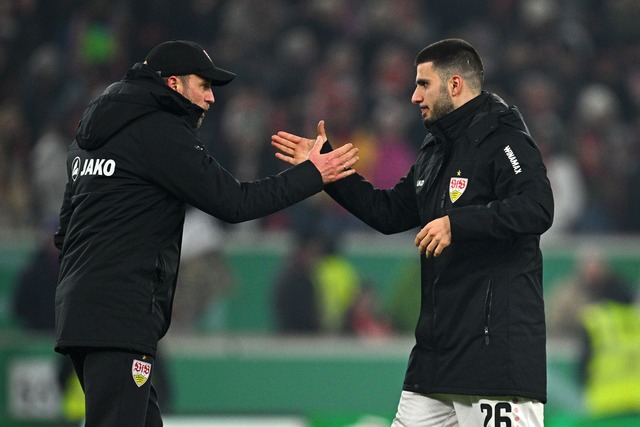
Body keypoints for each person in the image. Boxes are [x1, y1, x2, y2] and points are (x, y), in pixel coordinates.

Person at [53, 39, 359, 427]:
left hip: (81, 312)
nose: (212, 98)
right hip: (121, 316)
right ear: (174, 83)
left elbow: (66, 231)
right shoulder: (159, 132)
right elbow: (234, 203)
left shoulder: (88, 138)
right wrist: (313, 175)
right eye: (205, 85)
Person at [272, 38, 554, 426]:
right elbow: (388, 213)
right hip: (435, 360)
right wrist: (328, 174)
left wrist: (458, 223)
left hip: (494, 359)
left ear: (454, 84)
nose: (413, 96)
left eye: (423, 84)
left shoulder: (504, 139)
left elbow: (537, 207)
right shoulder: (436, 150)